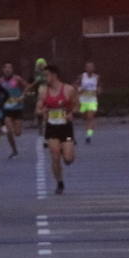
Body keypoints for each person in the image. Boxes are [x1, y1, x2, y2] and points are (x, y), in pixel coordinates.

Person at [37, 65, 78, 194]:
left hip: (65, 128)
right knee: (54, 156)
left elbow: (77, 105)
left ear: (54, 75)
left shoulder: (68, 89)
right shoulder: (43, 91)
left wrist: (72, 113)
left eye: (46, 75)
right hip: (51, 128)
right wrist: (42, 111)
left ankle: (67, 150)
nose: (45, 78)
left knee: (68, 159)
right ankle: (59, 183)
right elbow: (37, 109)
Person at [0, 62, 24, 157]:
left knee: (18, 133)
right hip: (6, 109)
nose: (8, 70)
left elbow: (27, 88)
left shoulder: (17, 79)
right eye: (6, 68)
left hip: (17, 108)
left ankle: (13, 144)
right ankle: (14, 149)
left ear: (12, 69)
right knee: (9, 130)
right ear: (3, 70)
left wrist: (22, 96)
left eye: (9, 68)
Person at [77, 61, 100, 142]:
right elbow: (75, 85)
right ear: (85, 68)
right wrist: (80, 90)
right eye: (88, 67)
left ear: (94, 68)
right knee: (85, 117)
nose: (90, 68)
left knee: (90, 117)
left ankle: (89, 135)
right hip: (83, 100)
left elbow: (99, 87)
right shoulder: (82, 76)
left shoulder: (96, 77)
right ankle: (88, 131)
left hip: (92, 100)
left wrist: (97, 91)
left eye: (91, 67)